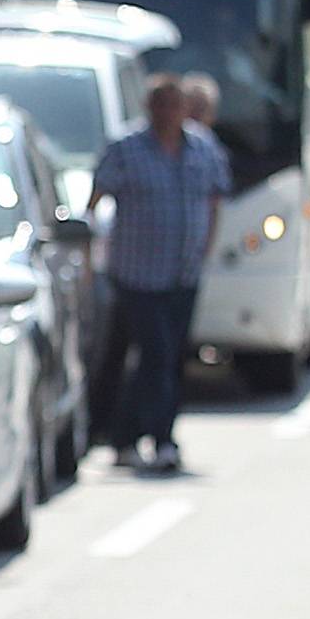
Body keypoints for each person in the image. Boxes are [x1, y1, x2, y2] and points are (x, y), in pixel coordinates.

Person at [91, 73, 229, 474]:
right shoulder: (127, 148)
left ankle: (123, 436)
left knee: (168, 358)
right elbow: (96, 197)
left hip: (183, 272)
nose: (168, 113)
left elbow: (216, 198)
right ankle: (163, 438)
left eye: (175, 104)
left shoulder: (203, 148)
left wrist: (207, 248)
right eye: (161, 104)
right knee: (155, 353)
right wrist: (90, 254)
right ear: (149, 108)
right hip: (137, 273)